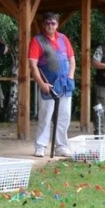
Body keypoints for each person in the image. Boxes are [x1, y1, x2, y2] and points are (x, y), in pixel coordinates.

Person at [29, 12, 75, 158]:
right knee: (45, 116)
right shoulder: (37, 40)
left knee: (64, 116)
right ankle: (40, 146)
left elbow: (72, 60)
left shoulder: (63, 38)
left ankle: (61, 146)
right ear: (43, 24)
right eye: (47, 23)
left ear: (57, 24)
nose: (50, 26)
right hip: (48, 85)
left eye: (53, 23)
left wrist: (70, 77)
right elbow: (33, 65)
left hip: (65, 84)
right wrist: (41, 83)